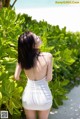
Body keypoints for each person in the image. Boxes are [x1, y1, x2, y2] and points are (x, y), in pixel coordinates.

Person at [14, 31, 53, 119]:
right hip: (44, 97)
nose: (39, 37)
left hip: (28, 97)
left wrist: (26, 80)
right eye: (36, 37)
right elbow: (49, 78)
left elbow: (16, 77)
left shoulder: (22, 59)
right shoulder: (48, 56)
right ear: (32, 44)